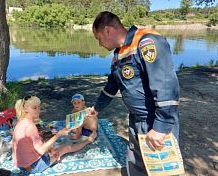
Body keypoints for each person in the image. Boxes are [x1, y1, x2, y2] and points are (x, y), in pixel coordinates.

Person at [90, 11, 180, 175]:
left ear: (108, 31)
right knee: (136, 164)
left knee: (161, 170)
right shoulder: (118, 54)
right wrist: (96, 108)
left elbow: (166, 86)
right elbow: (112, 86)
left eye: (98, 38)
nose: (99, 44)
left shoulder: (147, 41)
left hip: (155, 121)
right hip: (136, 120)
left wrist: (161, 127)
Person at [12, 95, 95, 174]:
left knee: (52, 147)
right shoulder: (30, 126)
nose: (38, 110)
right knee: (66, 147)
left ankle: (53, 155)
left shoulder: (21, 121)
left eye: (39, 107)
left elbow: (33, 142)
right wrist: (58, 134)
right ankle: (89, 140)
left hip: (20, 164)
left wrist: (50, 150)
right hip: (34, 166)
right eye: (34, 108)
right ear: (25, 109)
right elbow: (41, 150)